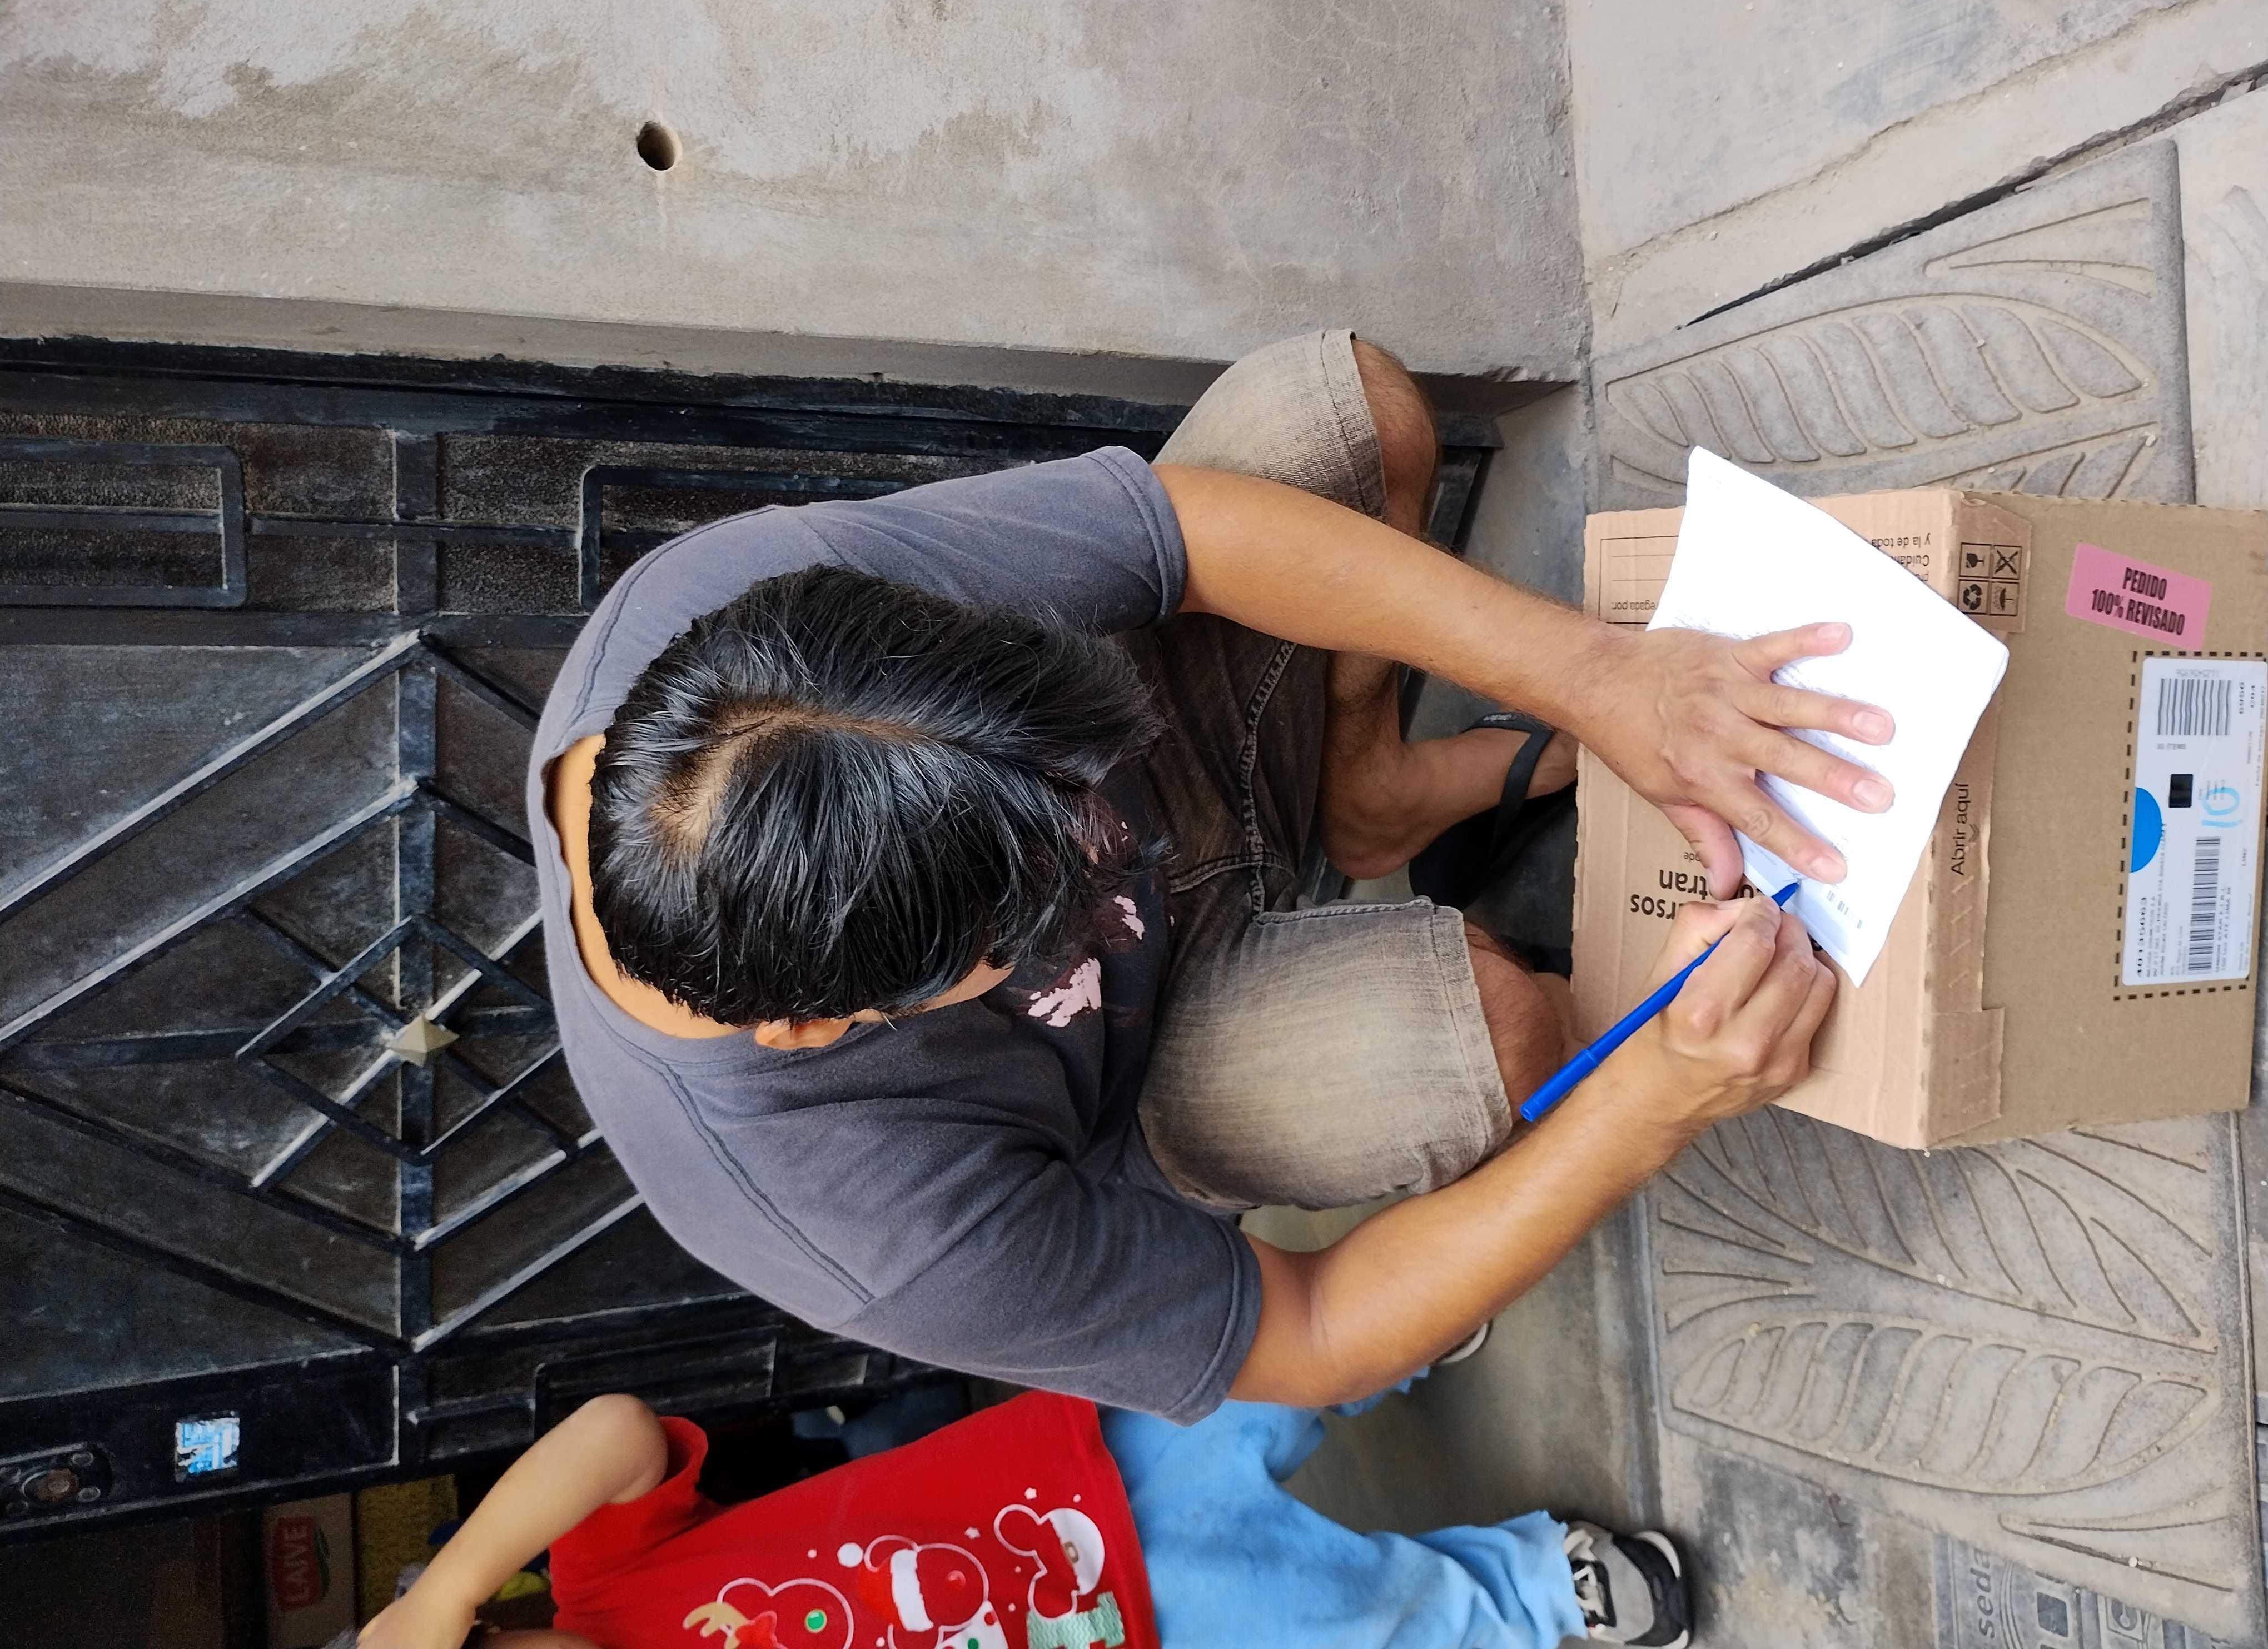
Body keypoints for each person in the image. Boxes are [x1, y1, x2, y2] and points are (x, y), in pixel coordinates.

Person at [529, 330, 1867, 1422]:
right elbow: (1317, 1334)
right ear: (825, 1026)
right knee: (1497, 1031)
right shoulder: (856, 1222)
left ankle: (1368, 797)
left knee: (1341, 413)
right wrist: (1654, 1100)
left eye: (1069, 796)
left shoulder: (733, 618)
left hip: (1183, 732)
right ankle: (1650, 1012)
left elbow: (1183, 540)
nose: (1103, 837)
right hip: (1160, 1055)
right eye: (1022, 910)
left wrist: (1600, 677)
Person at [357, 1384, 1694, 1649]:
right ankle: (1532, 1589)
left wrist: (447, 1585)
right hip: (1117, 1633)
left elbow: (615, 1433)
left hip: (1076, 1475)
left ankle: (1407, 1323)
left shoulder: (600, 1577)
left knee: (1284, 1373)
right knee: (1364, 1621)